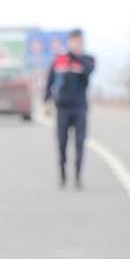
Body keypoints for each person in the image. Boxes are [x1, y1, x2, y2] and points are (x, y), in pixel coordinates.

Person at [44, 29, 96, 189]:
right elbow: (50, 81)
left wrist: (77, 56)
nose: (76, 43)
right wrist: (46, 102)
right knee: (62, 142)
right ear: (69, 41)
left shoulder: (88, 59)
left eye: (79, 41)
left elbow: (89, 72)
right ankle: (62, 174)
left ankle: (78, 176)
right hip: (62, 108)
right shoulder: (59, 60)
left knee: (80, 142)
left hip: (80, 107)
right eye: (73, 40)